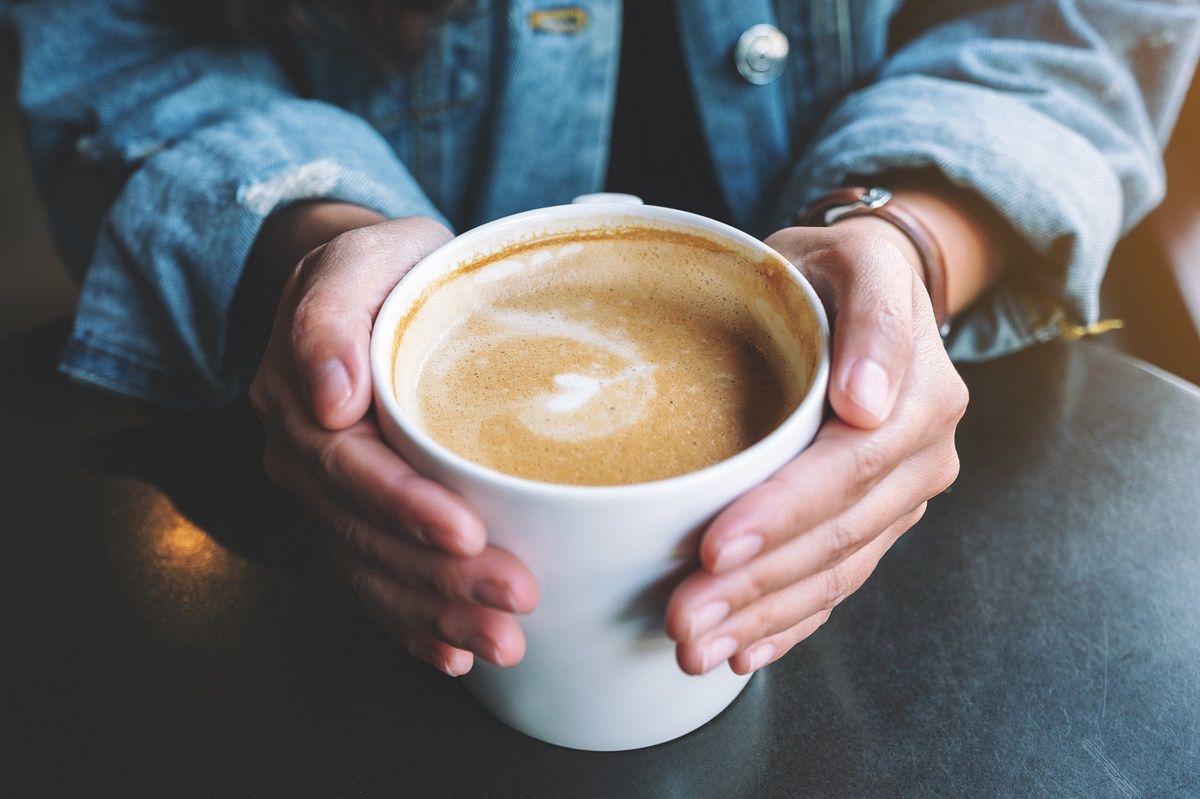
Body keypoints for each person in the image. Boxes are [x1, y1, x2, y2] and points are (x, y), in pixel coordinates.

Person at [7, 0, 1198, 678]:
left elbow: (1080, 28)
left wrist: (915, 245)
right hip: (333, 583)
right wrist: (309, 244)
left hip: (929, 554)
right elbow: (113, 43)